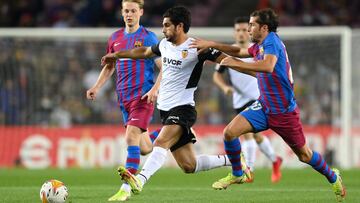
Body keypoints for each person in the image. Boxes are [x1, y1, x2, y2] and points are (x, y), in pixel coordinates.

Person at [190, 8, 346, 202]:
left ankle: (333, 176)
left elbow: (267, 66)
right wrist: (214, 45)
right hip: (263, 107)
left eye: (252, 25)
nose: (248, 29)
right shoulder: (259, 45)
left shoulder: (272, 41)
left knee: (304, 155)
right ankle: (239, 173)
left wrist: (233, 63)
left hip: (284, 113)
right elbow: (239, 51)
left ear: (264, 28)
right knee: (229, 132)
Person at [101, 6, 246, 198]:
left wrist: (256, 71)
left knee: (160, 142)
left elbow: (230, 60)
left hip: (184, 108)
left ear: (180, 26)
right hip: (166, 110)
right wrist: (117, 55)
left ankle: (140, 180)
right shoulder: (164, 45)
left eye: (167, 25)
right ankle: (234, 160)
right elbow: (144, 52)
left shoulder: (197, 47)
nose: (163, 29)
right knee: (189, 165)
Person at [86, 0, 162, 201]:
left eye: (133, 11)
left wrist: (155, 89)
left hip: (142, 97)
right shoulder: (115, 38)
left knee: (130, 138)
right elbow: (110, 66)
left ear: (141, 12)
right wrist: (96, 86)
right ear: (122, 13)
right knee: (144, 147)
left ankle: (125, 189)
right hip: (124, 99)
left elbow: (164, 66)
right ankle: (172, 131)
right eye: (126, 11)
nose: (129, 14)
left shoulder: (148, 37)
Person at [213, 16, 282, 183]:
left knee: (249, 136)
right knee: (257, 137)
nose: (242, 33)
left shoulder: (257, 49)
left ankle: (249, 170)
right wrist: (225, 87)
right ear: (234, 33)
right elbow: (217, 75)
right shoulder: (231, 52)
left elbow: (267, 68)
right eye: (238, 30)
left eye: (245, 29)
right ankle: (275, 160)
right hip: (239, 100)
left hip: (258, 97)